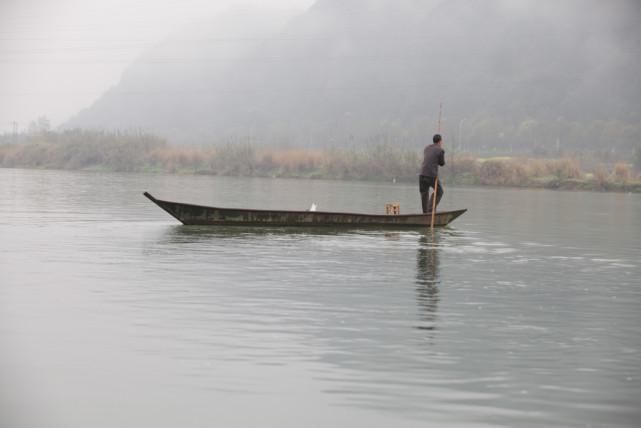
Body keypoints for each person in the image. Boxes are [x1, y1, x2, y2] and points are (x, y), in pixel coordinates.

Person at [419, 134, 445, 213]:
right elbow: (442, 163)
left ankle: (425, 213)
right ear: (440, 141)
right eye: (441, 141)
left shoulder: (426, 148)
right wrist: (440, 152)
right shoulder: (440, 150)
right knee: (439, 191)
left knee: (424, 194)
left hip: (422, 175)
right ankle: (430, 211)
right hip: (431, 175)